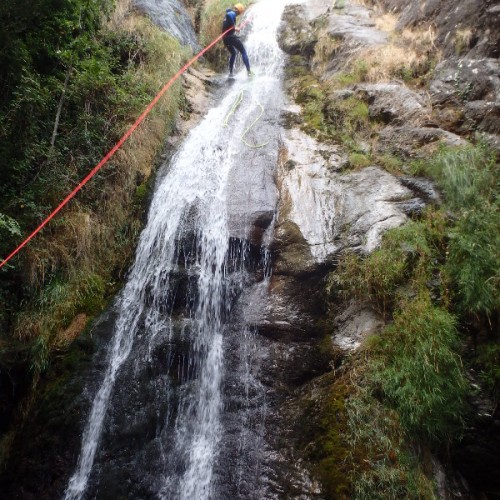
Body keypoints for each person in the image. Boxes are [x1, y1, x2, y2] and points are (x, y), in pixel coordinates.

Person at [222, 3, 252, 77]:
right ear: (239, 11)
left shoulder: (229, 13)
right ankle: (249, 72)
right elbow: (228, 15)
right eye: (240, 13)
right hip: (231, 37)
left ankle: (231, 73)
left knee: (233, 53)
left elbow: (228, 16)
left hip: (225, 39)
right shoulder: (231, 13)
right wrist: (234, 27)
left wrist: (236, 27)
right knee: (243, 51)